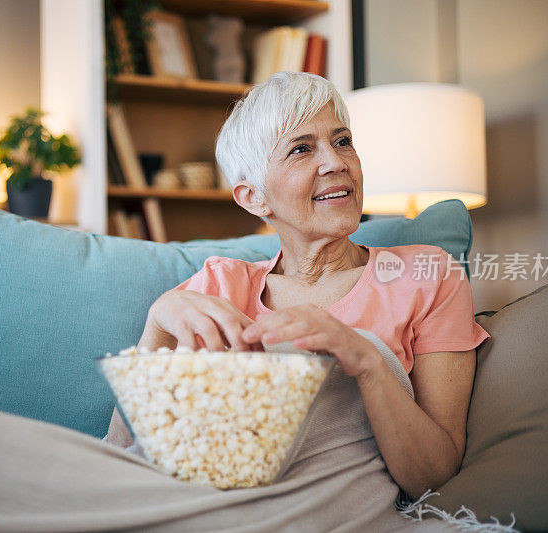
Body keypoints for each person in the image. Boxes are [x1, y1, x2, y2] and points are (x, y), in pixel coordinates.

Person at [106, 71, 490, 501]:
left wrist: (363, 357)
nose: (336, 162)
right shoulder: (217, 284)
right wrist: (156, 326)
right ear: (254, 198)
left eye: (343, 141)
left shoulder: (428, 274)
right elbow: (120, 459)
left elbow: (436, 474)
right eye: (302, 149)